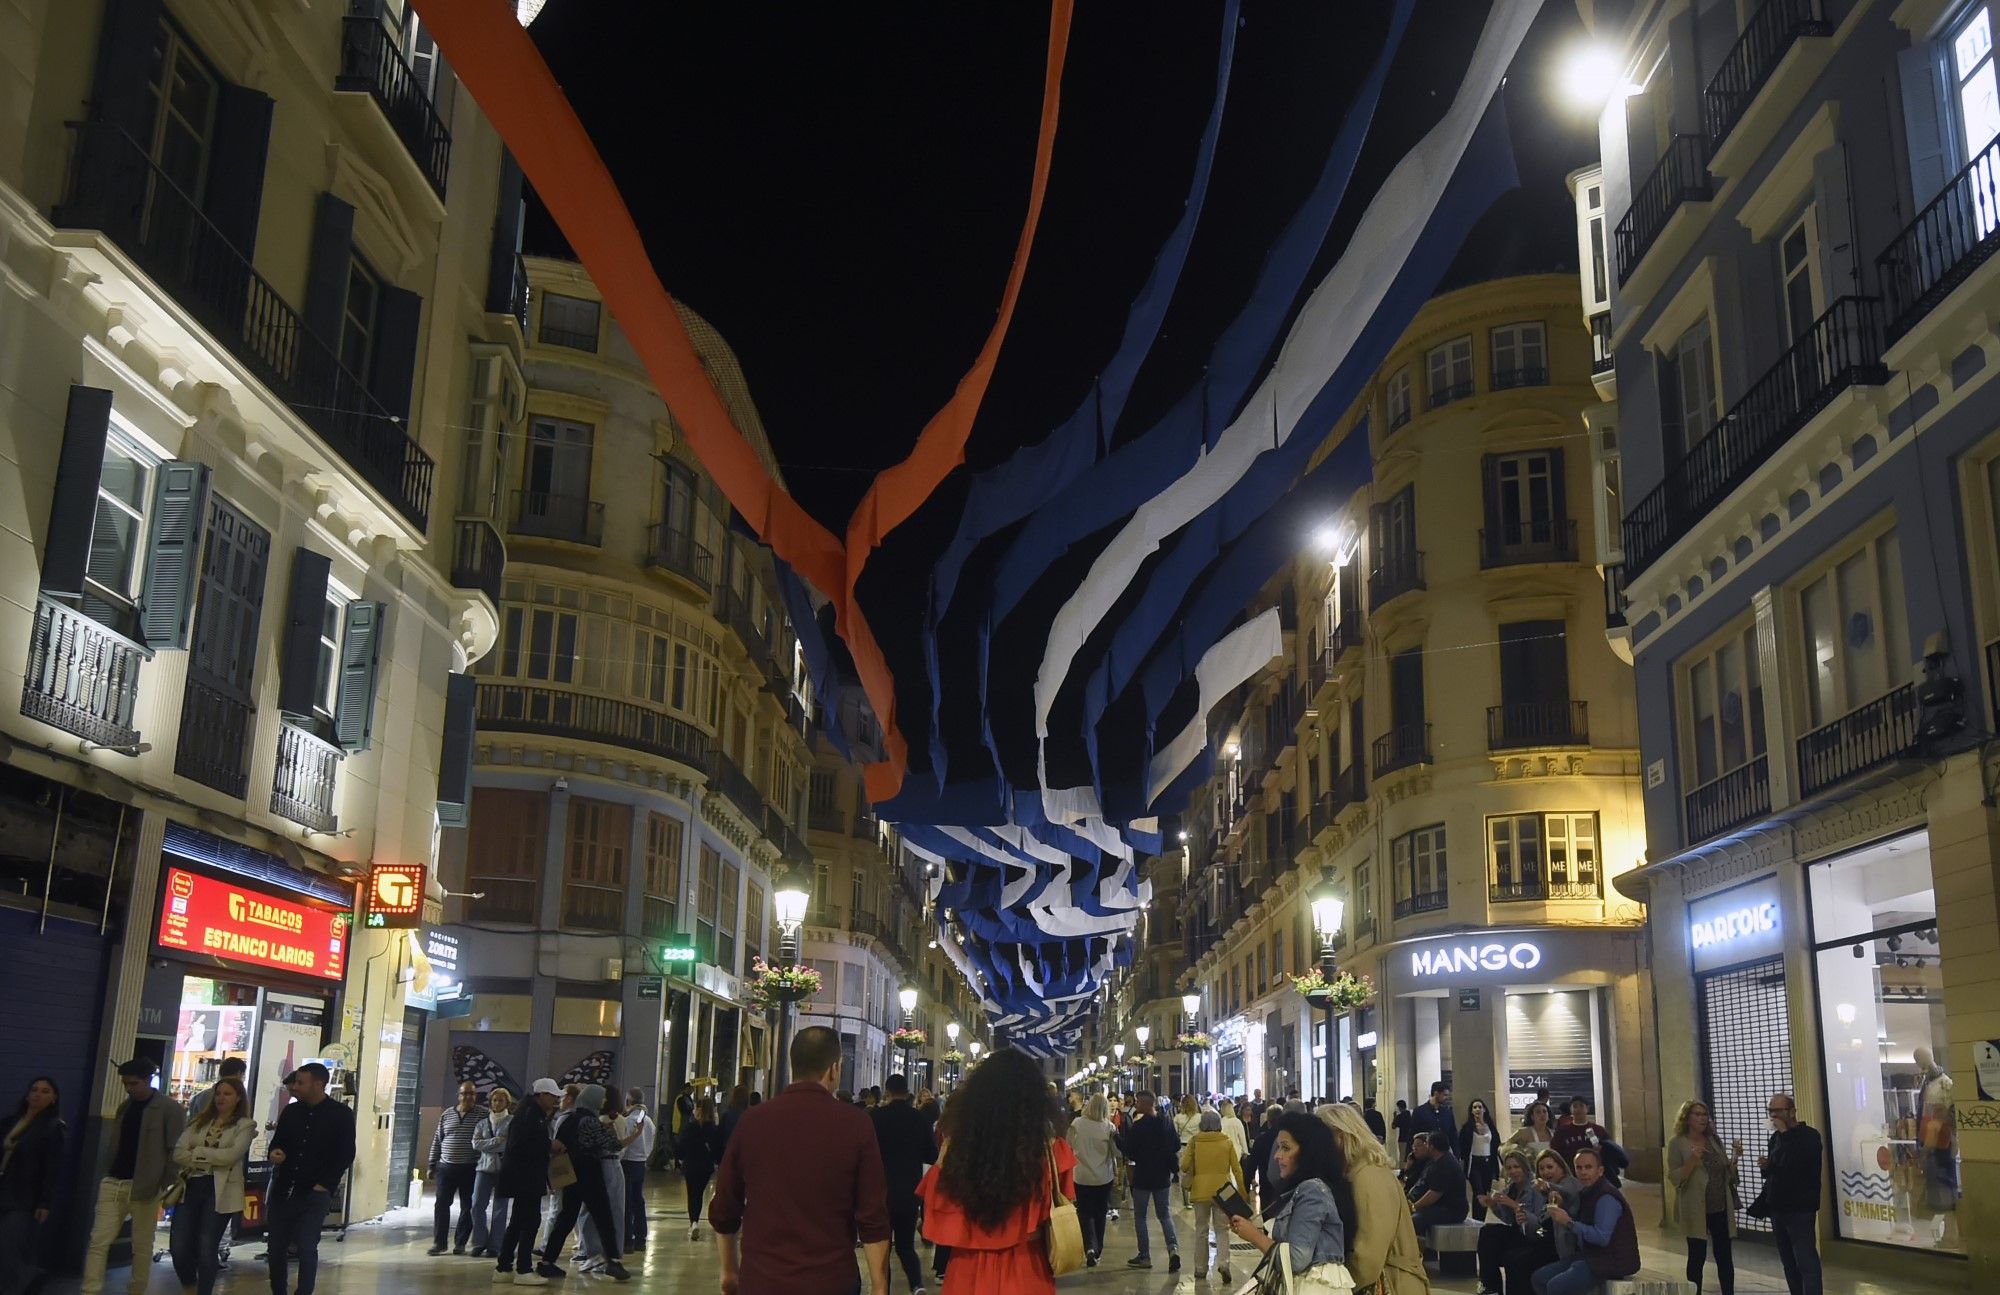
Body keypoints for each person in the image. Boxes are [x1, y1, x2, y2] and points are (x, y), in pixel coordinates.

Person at [709, 1025, 891, 1295]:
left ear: (793, 1065)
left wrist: (729, 1271)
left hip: (763, 1280)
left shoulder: (753, 1121)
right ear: (833, 1069)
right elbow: (872, 1215)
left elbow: (725, 1206)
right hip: (831, 1281)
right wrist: (879, 1285)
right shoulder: (856, 1125)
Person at [915, 1048, 1074, 1295]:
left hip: (966, 1271)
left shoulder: (959, 1149)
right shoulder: (1051, 1151)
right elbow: (1061, 1204)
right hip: (1027, 1270)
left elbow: (935, 1206)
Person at [81, 1059, 184, 1295]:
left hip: (145, 1186)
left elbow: (174, 1151)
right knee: (98, 1241)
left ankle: (137, 1289)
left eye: (134, 1083)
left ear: (148, 1080)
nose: (129, 1088)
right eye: (126, 1083)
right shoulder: (125, 1107)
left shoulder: (169, 1109)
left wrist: (163, 1182)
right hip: (114, 1182)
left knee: (141, 1245)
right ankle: (89, 1290)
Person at [1226, 1112, 1355, 1292]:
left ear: (1308, 1151)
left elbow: (1295, 1258)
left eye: (1286, 1148)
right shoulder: (1305, 1188)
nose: (1277, 1155)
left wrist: (1254, 1236)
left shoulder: (1312, 1190)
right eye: (1278, 1147)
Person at [1317, 1102, 1428, 1295]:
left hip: (1392, 1284)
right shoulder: (1360, 1172)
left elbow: (1369, 1257)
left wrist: (1338, 1287)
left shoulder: (1369, 1176)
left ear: (1341, 1137)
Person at [264, 1063, 353, 1295]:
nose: (296, 1087)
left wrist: (324, 1184)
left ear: (318, 1084)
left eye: (301, 1083)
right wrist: (275, 1152)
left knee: (305, 1246)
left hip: (314, 1193)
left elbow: (345, 1153)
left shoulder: (340, 1114)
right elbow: (278, 1142)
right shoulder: (291, 1112)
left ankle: (303, 1291)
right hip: (284, 1189)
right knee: (275, 1248)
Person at [169, 1075, 253, 1295]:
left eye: (227, 1094)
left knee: (207, 1246)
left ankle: (204, 1291)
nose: (221, 1098)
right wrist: (211, 1157)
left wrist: (197, 1152)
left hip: (219, 1190)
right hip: (192, 1186)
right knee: (178, 1247)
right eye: (218, 1093)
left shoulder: (244, 1126)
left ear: (237, 1098)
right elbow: (178, 1153)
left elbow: (231, 1156)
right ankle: (189, 1285)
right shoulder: (199, 1122)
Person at [536, 1084, 628, 1281]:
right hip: (590, 1174)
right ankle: (612, 1261)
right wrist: (628, 1134)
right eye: (601, 1098)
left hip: (571, 1175)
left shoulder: (569, 1118)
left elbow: (559, 1143)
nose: (603, 1102)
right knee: (603, 1217)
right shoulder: (590, 1120)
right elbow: (612, 1145)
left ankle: (547, 1261)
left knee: (566, 1218)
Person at [1531, 1145, 1637, 1295]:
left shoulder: (1606, 1197)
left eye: (1588, 1167)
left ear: (1600, 1171)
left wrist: (1568, 1222)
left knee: (1556, 1286)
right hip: (1590, 1256)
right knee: (1539, 1278)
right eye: (1579, 1168)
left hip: (1610, 1260)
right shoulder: (1588, 1191)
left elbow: (1601, 1238)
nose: (1583, 1172)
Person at [871, 1073, 936, 1294]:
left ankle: (883, 1289)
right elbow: (931, 1155)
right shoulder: (918, 1119)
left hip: (880, 1191)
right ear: (908, 1092)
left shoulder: (875, 1117)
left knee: (882, 1247)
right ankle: (917, 1285)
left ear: (887, 1091)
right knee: (906, 1245)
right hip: (910, 1191)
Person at [1666, 1100, 1739, 1295]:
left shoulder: (1713, 1140)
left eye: (1704, 1114)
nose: (1702, 1118)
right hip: (1695, 1207)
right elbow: (1674, 1177)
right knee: (1696, 1255)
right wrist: (1692, 1160)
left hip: (1720, 1205)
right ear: (1687, 1118)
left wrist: (1735, 1159)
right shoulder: (1677, 1143)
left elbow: (1727, 1174)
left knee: (1724, 1256)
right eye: (1697, 1114)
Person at [0, 1077, 64, 1295]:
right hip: (4, 1187)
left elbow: (51, 1168)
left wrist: (44, 1201)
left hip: (23, 1195)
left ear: (54, 1098)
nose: (38, 1094)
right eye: (34, 1090)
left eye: (45, 1091)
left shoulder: (52, 1128)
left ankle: (22, 1283)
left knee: (10, 1246)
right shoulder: (10, 1122)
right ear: (27, 1095)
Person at [494, 1077, 560, 1285]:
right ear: (542, 1095)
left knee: (517, 1222)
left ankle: (504, 1267)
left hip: (522, 1177)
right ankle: (523, 1269)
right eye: (552, 1096)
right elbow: (524, 1146)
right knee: (530, 1222)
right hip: (526, 1177)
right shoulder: (532, 1116)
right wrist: (550, 1146)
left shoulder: (529, 1113)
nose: (555, 1100)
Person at [1758, 1094, 1822, 1295]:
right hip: (1779, 1208)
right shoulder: (1775, 1138)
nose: (1774, 1115)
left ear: (1792, 1112)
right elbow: (1777, 1170)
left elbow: (1799, 1167)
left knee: (1805, 1261)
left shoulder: (1809, 1136)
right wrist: (1766, 1167)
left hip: (1800, 1208)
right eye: (1771, 1111)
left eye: (1778, 1111)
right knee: (1788, 1262)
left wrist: (1785, 1133)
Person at [1116, 1090, 1180, 1272]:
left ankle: (1144, 1256)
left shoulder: (1139, 1126)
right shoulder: (1167, 1122)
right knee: (1164, 1215)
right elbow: (1175, 1145)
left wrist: (1116, 1138)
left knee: (1141, 1217)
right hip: (1162, 1176)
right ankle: (1173, 1249)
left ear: (1145, 1104)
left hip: (1143, 1175)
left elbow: (1130, 1151)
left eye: (1137, 1102)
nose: (1135, 1104)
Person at [1180, 1109, 1246, 1283]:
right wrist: (1243, 1193)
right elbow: (1237, 1170)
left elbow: (1184, 1165)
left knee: (1201, 1229)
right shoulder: (1227, 1142)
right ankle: (1224, 1264)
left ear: (1202, 1124)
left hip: (1200, 1191)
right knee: (1222, 1230)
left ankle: (1200, 1268)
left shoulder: (1194, 1142)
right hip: (1222, 1192)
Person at [427, 1080, 489, 1255]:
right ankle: (439, 1243)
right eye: (465, 1093)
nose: (468, 1097)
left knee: (467, 1206)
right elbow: (437, 1140)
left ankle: (460, 1243)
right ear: (459, 1095)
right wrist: (432, 1164)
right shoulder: (447, 1115)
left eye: (472, 1094)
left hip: (470, 1168)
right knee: (441, 1205)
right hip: (446, 1167)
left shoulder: (482, 1115)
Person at [1473, 1150, 1545, 1295]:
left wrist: (1513, 1204)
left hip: (1534, 1235)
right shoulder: (1512, 1187)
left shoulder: (1534, 1187)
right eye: (1509, 1168)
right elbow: (1508, 1219)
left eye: (1516, 1167)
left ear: (1524, 1167)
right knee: (1488, 1231)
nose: (1513, 1171)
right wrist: (1493, 1204)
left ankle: (1491, 1285)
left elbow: (1538, 1223)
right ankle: (1489, 1286)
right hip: (1518, 1231)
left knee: (1509, 1256)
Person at [1066, 1094, 1118, 1267]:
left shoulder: (1077, 1124)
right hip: (1103, 1177)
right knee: (1100, 1213)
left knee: (1084, 1212)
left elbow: (1068, 1144)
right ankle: (1098, 1248)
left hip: (1081, 1176)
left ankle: (1088, 1246)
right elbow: (1115, 1152)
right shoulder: (1108, 1127)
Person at [470, 1087, 514, 1260]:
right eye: (494, 1100)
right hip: (483, 1167)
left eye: (500, 1100)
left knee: (500, 1208)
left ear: (507, 1103)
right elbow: (475, 1144)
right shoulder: (482, 1123)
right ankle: (479, 1241)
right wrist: (496, 1141)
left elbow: (509, 1144)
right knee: (477, 1205)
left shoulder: (512, 1122)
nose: (497, 1103)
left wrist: (488, 1143)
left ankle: (495, 1245)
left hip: (504, 1169)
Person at [676, 1097, 722, 1241]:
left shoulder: (691, 1127)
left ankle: (693, 1222)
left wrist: (679, 1158)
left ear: (698, 1110)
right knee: (699, 1194)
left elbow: (680, 1144)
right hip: (705, 1166)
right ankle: (695, 1219)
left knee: (692, 1193)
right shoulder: (713, 1129)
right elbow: (717, 1149)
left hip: (690, 1165)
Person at [1408, 1132, 1469, 1235]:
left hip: (1452, 1210)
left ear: (1432, 1147)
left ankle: (1417, 1250)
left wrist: (1414, 1207)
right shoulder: (1435, 1161)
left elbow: (1434, 1194)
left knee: (1414, 1220)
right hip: (1440, 1206)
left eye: (1426, 1143)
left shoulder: (1445, 1164)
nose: (1425, 1146)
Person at [617, 1089, 653, 1250]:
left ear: (629, 1102)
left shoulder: (629, 1121)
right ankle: (641, 1238)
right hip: (641, 1162)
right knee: (638, 1201)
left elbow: (623, 1145)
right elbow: (650, 1143)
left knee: (626, 1202)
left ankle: (627, 1239)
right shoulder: (649, 1121)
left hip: (627, 1163)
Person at [1458, 1100, 1500, 1221]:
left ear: (1484, 1109)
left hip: (1488, 1164)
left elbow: (1496, 1143)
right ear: (1471, 1111)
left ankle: (1481, 1220)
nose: (1477, 1109)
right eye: (1474, 1107)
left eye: (1480, 1107)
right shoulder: (1467, 1128)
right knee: (1478, 1191)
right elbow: (1462, 1145)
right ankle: (1476, 1220)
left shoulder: (1490, 1126)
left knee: (1486, 1192)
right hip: (1474, 1163)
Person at [1549, 1098, 1608, 1167]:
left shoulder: (1599, 1130)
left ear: (1587, 1109)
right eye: (1575, 1106)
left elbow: (1609, 1152)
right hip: (1569, 1173)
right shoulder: (1561, 1132)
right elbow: (1555, 1154)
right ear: (1570, 1110)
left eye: (1581, 1106)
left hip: (1595, 1173)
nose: (1578, 1109)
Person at [1248, 1105, 1281, 1205]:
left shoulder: (1261, 1140)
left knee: (1267, 1216)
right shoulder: (1288, 1139)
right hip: (1285, 1185)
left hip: (1266, 1184)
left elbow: (1252, 1164)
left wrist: (1248, 1183)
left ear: (1268, 1121)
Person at [1173, 1096, 1202, 1207]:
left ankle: (1186, 1201)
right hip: (1197, 1147)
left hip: (1183, 1147)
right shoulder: (1200, 1117)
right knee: (1197, 1173)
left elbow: (1175, 1134)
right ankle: (1195, 1197)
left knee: (1184, 1173)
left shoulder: (1178, 1118)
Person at [1220, 1098, 1251, 1163]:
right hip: (1236, 1151)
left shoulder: (1221, 1121)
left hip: (1223, 1151)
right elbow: (1242, 1137)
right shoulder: (1237, 1121)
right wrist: (1245, 1151)